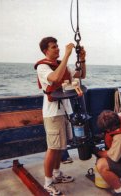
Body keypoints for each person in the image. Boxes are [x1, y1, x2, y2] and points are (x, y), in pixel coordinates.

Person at [34, 37, 86, 195]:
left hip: (64, 110)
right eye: (53, 47)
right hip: (52, 113)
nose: (57, 49)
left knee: (60, 147)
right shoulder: (43, 67)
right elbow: (55, 78)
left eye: (57, 46)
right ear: (45, 51)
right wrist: (67, 54)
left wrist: (82, 60)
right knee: (53, 148)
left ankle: (56, 174)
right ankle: (48, 182)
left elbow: (80, 75)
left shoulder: (60, 65)